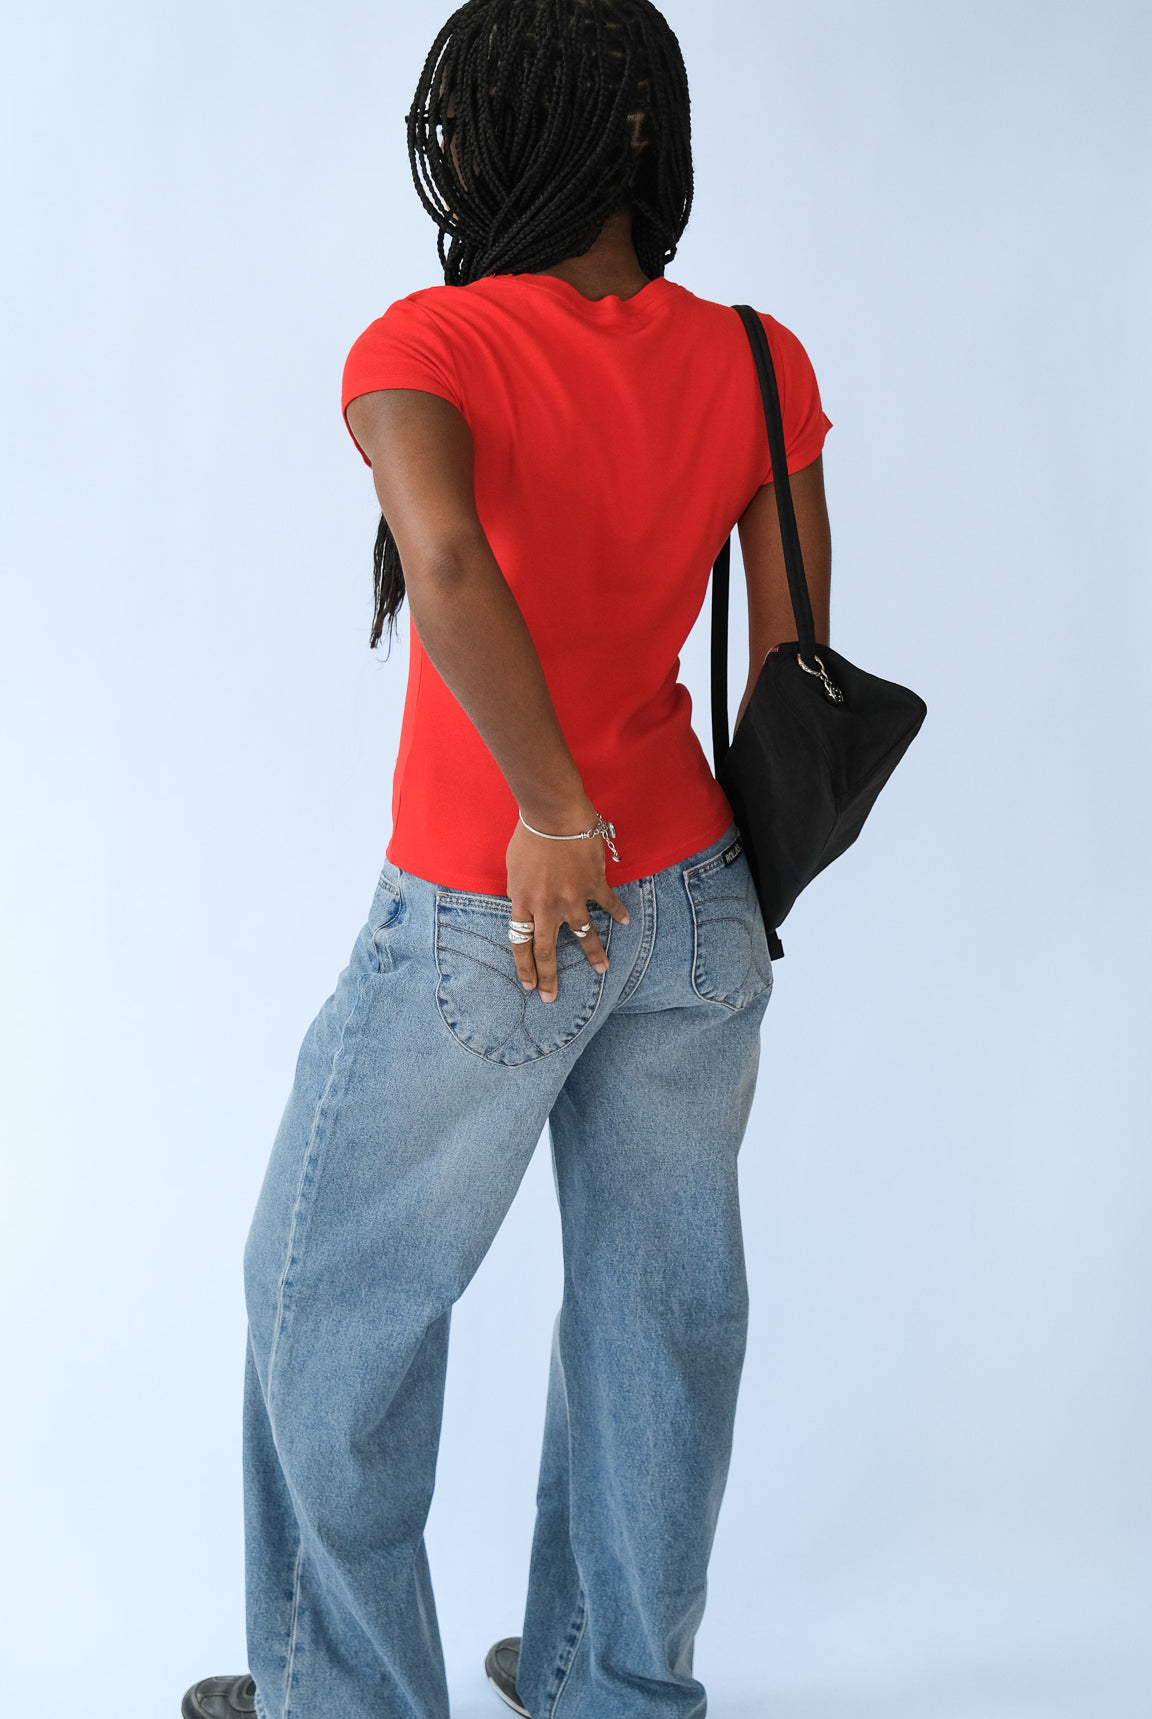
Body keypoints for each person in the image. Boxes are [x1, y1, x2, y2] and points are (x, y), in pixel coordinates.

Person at [182, 1, 832, 1716]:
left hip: (500, 909)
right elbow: (793, 661)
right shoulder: (758, 359)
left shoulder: (430, 344)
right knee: (659, 1321)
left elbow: (449, 564)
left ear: (480, 138)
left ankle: (346, 1697)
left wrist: (556, 815)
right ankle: (612, 1688)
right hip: (700, 912)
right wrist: (683, 857)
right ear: (649, 137)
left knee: (328, 1299)